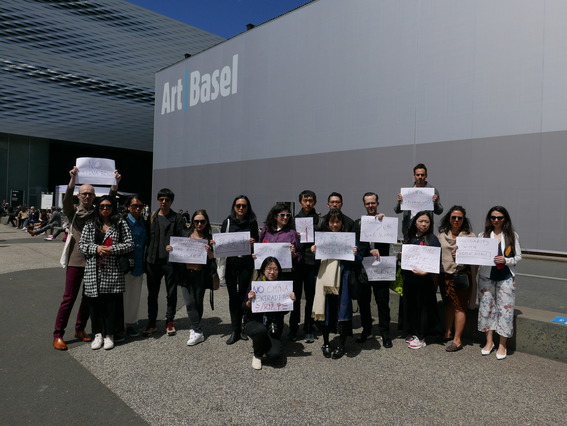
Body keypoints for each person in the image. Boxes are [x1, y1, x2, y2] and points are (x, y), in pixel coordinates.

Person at [52, 165, 121, 350]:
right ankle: (58, 334)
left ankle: (80, 328)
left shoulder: (97, 212)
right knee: (69, 297)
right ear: (79, 195)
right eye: (84, 193)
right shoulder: (72, 212)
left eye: (90, 194)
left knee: (88, 297)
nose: (87, 196)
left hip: (93, 260)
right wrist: (72, 180)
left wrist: (114, 184)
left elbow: (110, 202)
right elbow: (66, 200)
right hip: (76, 260)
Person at [78, 195, 134, 350]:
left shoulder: (120, 223)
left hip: (112, 271)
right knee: (94, 305)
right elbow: (81, 245)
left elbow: (130, 244)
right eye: (102, 206)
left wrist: (112, 249)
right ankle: (97, 334)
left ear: (113, 208)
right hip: (93, 271)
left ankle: (110, 334)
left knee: (111, 304)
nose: (105, 209)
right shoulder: (90, 224)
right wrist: (96, 248)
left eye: (108, 206)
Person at [311, 209, 359, 359]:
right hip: (325, 279)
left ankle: (341, 345)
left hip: (343, 280)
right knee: (326, 311)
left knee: (342, 313)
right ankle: (326, 343)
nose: (334, 224)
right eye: (332, 221)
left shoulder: (349, 239)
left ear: (342, 223)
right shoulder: (322, 239)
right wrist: (314, 251)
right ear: (327, 223)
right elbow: (315, 262)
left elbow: (359, 260)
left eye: (337, 221)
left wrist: (356, 253)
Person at [477, 206, 521, 360]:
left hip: (506, 276)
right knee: (486, 308)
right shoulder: (483, 235)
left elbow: (518, 257)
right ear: (489, 219)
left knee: (505, 310)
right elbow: (476, 255)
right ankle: (489, 342)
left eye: (500, 217)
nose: (496, 220)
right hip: (486, 276)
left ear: (505, 219)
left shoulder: (511, 235)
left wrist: (506, 260)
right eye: (493, 217)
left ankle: (503, 344)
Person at [214, 195, 259, 345]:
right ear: (234, 207)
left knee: (245, 296)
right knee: (233, 297)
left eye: (244, 206)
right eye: (238, 205)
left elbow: (257, 243)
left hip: (246, 263)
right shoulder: (227, 222)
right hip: (231, 264)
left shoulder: (252, 222)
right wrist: (216, 243)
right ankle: (235, 329)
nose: (241, 208)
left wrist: (253, 243)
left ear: (248, 207)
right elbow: (221, 243)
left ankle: (245, 326)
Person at [166, 209, 215, 346]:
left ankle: (194, 328)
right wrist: (170, 249)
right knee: (189, 302)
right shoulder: (184, 234)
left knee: (198, 302)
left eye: (202, 221)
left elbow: (213, 258)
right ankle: (197, 330)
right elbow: (176, 250)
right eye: (197, 221)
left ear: (206, 222)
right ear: (192, 221)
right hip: (185, 274)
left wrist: (209, 251)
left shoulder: (209, 237)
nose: (199, 224)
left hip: (200, 274)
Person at [258, 202, 303, 340]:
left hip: (286, 273)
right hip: (269, 274)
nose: (285, 217)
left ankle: (293, 329)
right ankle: (269, 326)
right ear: (275, 215)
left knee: (290, 300)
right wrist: (256, 255)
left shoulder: (292, 233)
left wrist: (294, 254)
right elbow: (259, 247)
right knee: (269, 299)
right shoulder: (266, 230)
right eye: (282, 215)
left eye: (288, 215)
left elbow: (300, 255)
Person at [143, 188, 185, 337]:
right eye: (161, 199)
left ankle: (170, 321)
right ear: (157, 200)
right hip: (152, 261)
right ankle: (152, 322)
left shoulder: (178, 218)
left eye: (167, 200)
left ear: (171, 202)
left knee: (171, 293)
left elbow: (183, 239)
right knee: (152, 294)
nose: (164, 202)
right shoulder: (151, 217)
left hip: (170, 262)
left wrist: (175, 247)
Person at [354, 192, 393, 348]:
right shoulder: (359, 223)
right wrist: (367, 251)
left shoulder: (385, 221)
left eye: (373, 203)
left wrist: (384, 223)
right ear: (364, 205)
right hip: (364, 266)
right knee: (364, 302)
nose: (370, 206)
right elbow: (355, 244)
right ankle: (367, 330)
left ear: (377, 203)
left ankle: (385, 333)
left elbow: (390, 239)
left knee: (382, 301)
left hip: (381, 266)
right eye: (367, 203)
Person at [243, 257, 296, 370]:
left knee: (275, 355)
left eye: (275, 269)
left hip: (273, 325)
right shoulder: (256, 284)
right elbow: (244, 307)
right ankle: (257, 355)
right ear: (263, 270)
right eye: (269, 269)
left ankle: (262, 342)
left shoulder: (282, 286)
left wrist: (290, 301)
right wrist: (249, 301)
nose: (272, 272)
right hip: (254, 322)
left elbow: (285, 311)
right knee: (260, 330)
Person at [438, 206, 477, 352]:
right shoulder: (442, 235)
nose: (456, 220)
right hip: (444, 275)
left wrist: (461, 256)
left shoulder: (470, 237)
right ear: (449, 218)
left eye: (459, 218)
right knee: (448, 303)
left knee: (460, 306)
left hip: (460, 275)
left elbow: (475, 257)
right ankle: (447, 333)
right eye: (454, 217)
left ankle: (457, 340)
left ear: (463, 219)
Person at [401, 211, 442, 350]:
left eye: (427, 222)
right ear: (415, 222)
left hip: (425, 280)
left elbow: (436, 261)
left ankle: (422, 336)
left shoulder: (432, 239)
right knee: (411, 306)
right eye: (421, 221)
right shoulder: (410, 237)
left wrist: (425, 272)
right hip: (410, 279)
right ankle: (412, 332)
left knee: (424, 308)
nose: (423, 224)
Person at [294, 190, 319, 343]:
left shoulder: (320, 220)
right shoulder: (293, 220)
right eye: (305, 200)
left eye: (311, 200)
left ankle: (309, 327)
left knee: (310, 296)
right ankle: (294, 326)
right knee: (295, 296)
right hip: (297, 262)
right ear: (300, 202)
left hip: (312, 262)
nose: (308, 203)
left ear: (315, 202)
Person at [394, 163, 443, 240]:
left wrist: (435, 203)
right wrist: (400, 202)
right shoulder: (407, 191)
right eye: (418, 175)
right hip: (409, 227)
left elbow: (439, 211)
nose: (420, 177)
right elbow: (397, 210)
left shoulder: (432, 190)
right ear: (414, 175)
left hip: (425, 228)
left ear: (426, 176)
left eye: (422, 175)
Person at [122, 195, 148, 337]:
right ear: (128, 207)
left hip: (139, 265)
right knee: (122, 296)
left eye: (140, 206)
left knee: (134, 296)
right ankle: (119, 324)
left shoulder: (143, 223)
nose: (137, 208)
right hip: (124, 266)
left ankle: (131, 324)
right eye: (134, 206)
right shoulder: (122, 222)